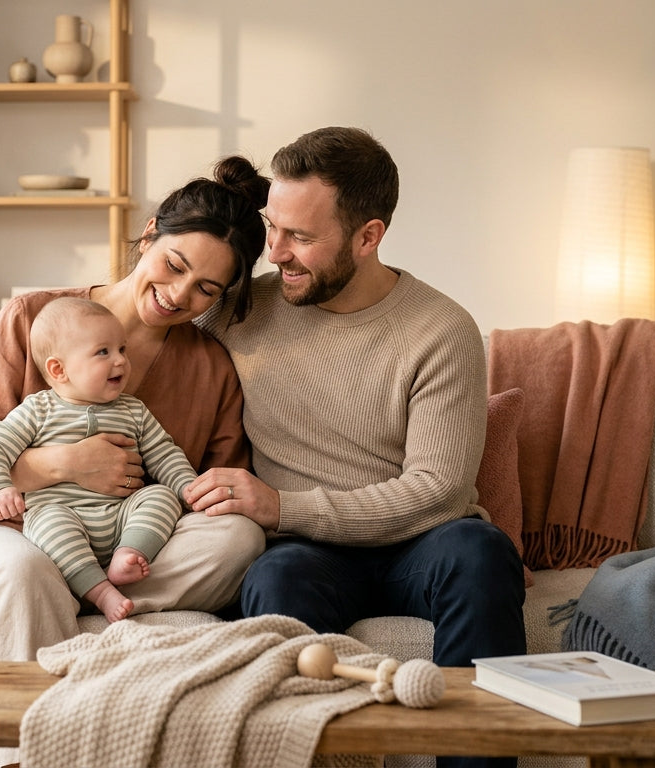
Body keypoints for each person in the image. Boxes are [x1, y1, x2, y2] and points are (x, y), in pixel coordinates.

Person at [185, 127, 525, 768]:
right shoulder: (238, 311)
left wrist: (281, 507)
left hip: (420, 545)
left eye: (302, 238)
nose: (275, 253)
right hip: (305, 556)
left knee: (482, 551)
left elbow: (439, 489)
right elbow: (141, 322)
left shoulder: (439, 329)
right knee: (276, 575)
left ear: (368, 237)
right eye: (272, 227)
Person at [0, 155, 271, 669]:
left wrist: (183, 500)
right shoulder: (31, 318)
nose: (179, 294)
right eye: (174, 265)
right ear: (149, 234)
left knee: (238, 538)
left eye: (207, 288)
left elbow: (214, 489)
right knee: (20, 573)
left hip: (136, 549)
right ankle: (24, 728)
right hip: (17, 536)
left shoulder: (210, 367)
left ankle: (83, 590)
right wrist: (64, 465)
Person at [0, 297, 200, 622]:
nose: (120, 361)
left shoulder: (133, 410)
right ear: (58, 369)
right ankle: (99, 591)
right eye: (103, 352)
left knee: (160, 496)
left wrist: (188, 487)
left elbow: (165, 454)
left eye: (122, 349)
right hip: (64, 514)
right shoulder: (39, 410)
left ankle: (130, 553)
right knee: (48, 523)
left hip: (122, 515)